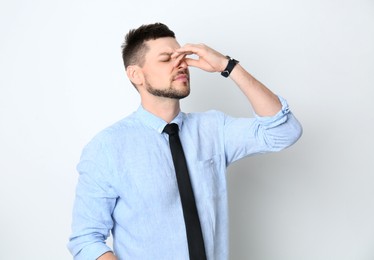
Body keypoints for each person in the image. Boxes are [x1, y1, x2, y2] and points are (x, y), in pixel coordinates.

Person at [67, 22, 302, 260]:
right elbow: (87, 240)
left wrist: (228, 66)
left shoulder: (213, 129)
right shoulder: (107, 147)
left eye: (182, 56)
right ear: (135, 74)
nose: (180, 63)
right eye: (166, 58)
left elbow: (284, 131)